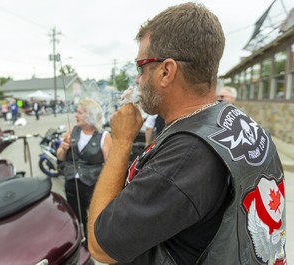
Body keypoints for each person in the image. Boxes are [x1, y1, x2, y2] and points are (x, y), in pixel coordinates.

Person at [88, 3, 286, 265]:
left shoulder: (187, 156)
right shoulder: (239, 121)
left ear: (166, 71)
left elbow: (101, 246)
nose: (137, 80)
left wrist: (122, 142)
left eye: (140, 67)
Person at [56, 98, 112, 247]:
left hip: (91, 186)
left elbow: (110, 166)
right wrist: (63, 148)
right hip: (70, 183)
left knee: (94, 218)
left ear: (90, 115)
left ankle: (94, 245)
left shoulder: (104, 136)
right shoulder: (72, 131)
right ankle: (78, 243)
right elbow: (60, 157)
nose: (76, 115)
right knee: (74, 215)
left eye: (79, 112)